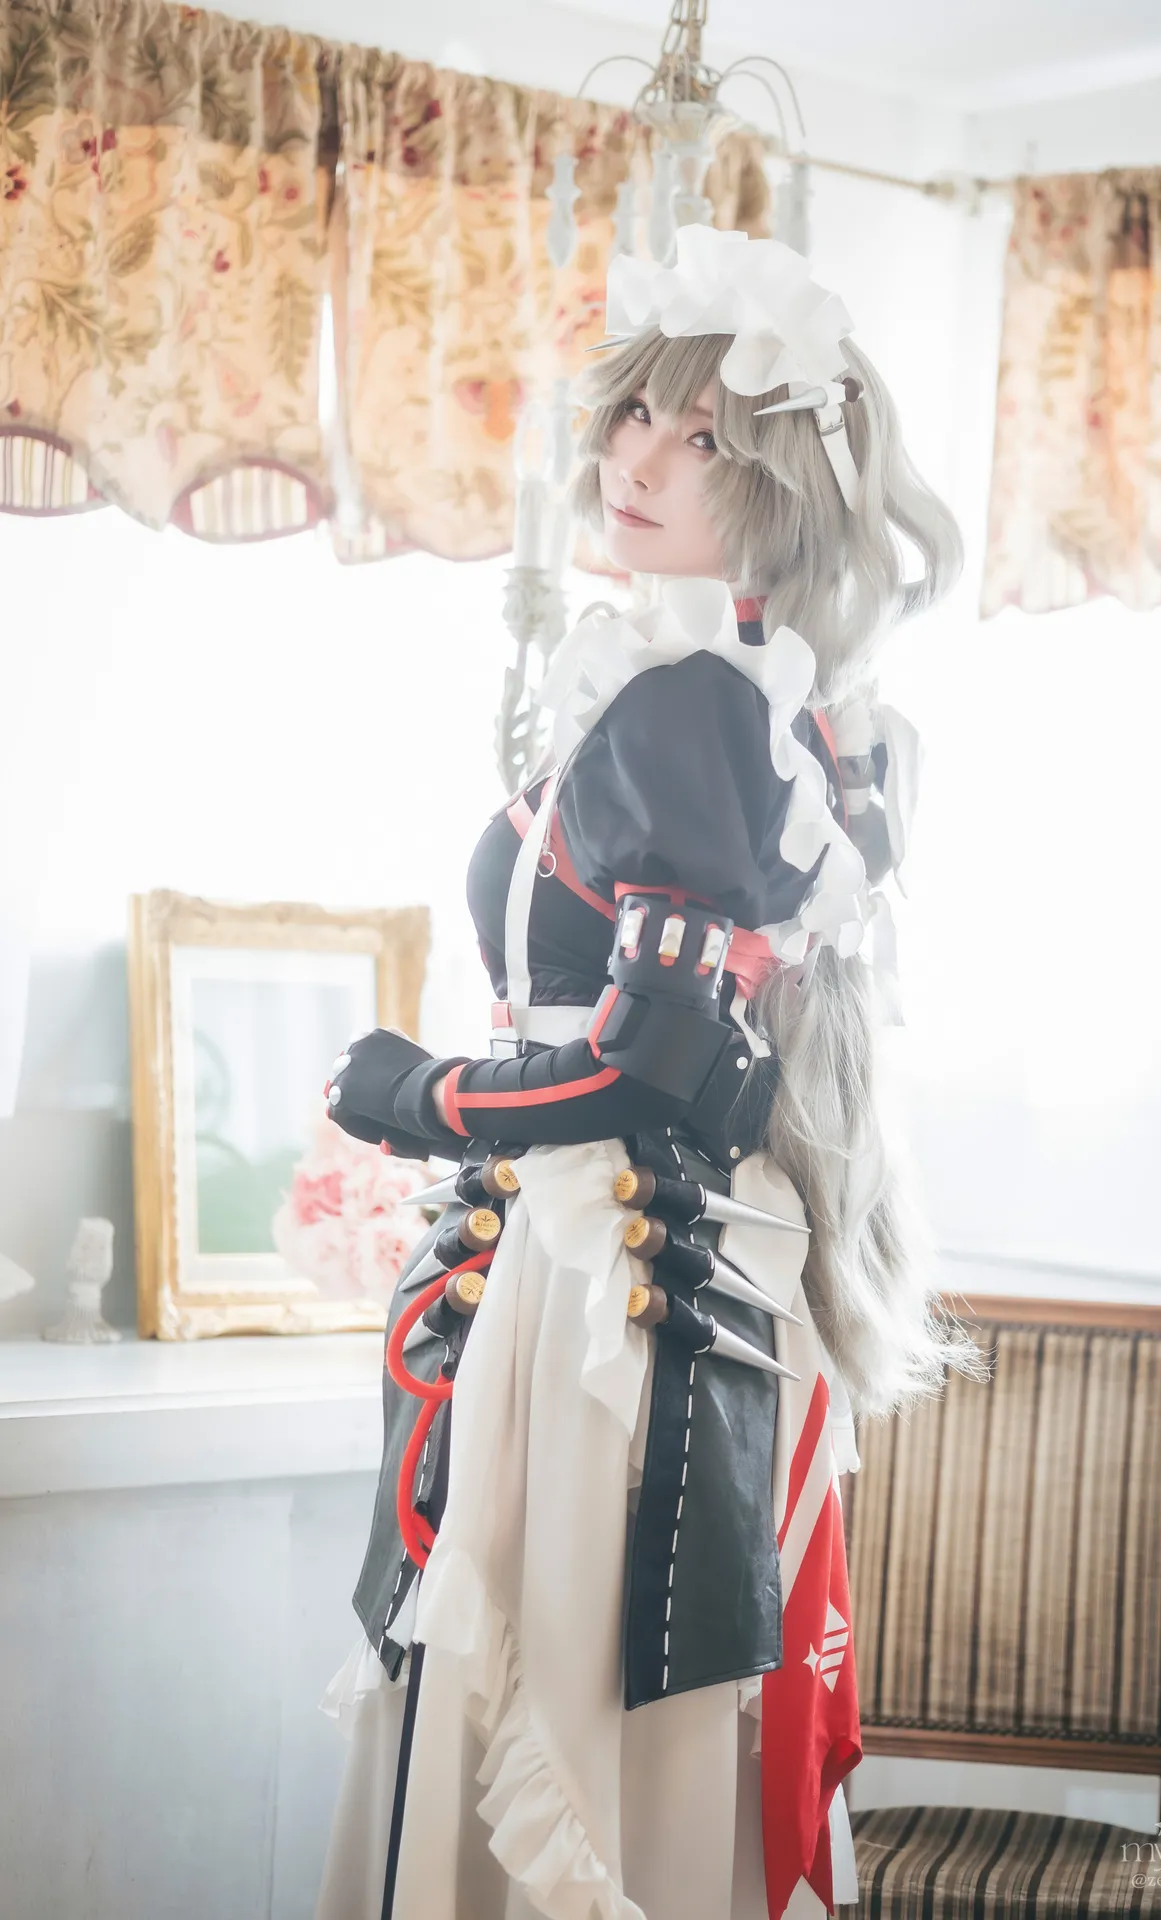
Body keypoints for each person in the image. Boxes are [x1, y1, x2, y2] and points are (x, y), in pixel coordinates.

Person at [315, 224, 985, 1920]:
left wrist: (414, 1098)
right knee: (584, 1694)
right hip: (625, 1244)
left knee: (568, 1691)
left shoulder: (694, 705)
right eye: (637, 415)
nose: (640, 459)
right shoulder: (731, 697)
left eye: (704, 439)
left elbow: (652, 1064)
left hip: (612, 1258)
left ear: (779, 490)